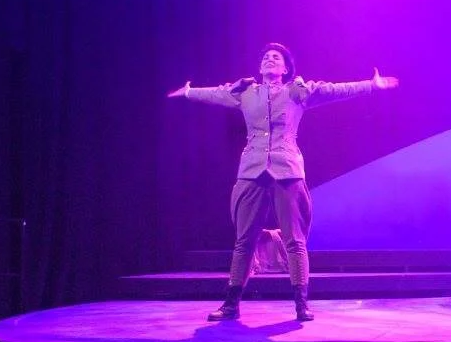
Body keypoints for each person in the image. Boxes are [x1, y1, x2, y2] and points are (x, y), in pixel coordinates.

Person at [167, 43, 399, 321]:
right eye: (266, 57)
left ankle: (301, 303)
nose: (269, 59)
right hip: (252, 169)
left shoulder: (297, 92)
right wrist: (189, 92)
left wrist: (371, 85)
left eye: (276, 57)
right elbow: (217, 93)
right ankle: (231, 304)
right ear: (260, 66)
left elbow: (334, 90)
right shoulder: (246, 92)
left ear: (285, 68)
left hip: (287, 169)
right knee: (244, 241)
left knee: (295, 241)